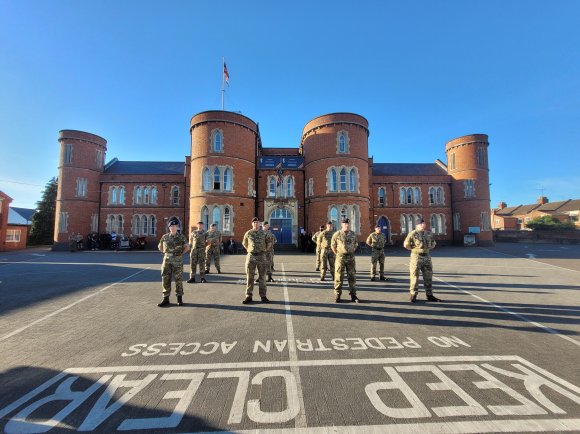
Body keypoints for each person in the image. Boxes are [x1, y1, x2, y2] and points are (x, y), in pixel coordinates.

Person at [403, 217, 442, 303]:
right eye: (421, 224)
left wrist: (427, 249)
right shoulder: (412, 234)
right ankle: (413, 294)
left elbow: (433, 244)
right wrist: (414, 250)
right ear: (417, 225)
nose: (423, 225)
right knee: (414, 276)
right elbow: (406, 244)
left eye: (424, 224)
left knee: (428, 276)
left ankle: (429, 295)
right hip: (416, 257)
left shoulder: (429, 233)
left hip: (427, 257)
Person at [157, 219, 190, 307]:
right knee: (165, 279)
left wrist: (181, 254)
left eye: (175, 226)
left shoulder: (181, 237)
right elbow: (160, 247)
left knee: (178, 279)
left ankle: (179, 298)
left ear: (177, 227)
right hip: (166, 261)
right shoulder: (165, 237)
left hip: (177, 261)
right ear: (169, 227)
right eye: (171, 226)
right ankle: (165, 298)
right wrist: (165, 253)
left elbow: (187, 247)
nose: (173, 228)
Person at [242, 217, 272, 304]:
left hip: (261, 256)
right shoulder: (248, 233)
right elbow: (244, 243)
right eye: (254, 222)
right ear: (252, 224)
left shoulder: (264, 233)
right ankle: (248, 296)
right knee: (250, 277)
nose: (256, 224)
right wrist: (249, 249)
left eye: (257, 222)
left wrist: (265, 250)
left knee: (262, 277)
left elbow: (269, 242)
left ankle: (263, 296)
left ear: (259, 224)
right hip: (251, 257)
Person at [331, 218, 360, 303]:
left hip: (351, 258)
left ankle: (353, 295)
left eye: (347, 224)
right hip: (340, 258)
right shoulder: (337, 234)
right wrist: (338, 253)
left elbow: (356, 244)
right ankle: (338, 294)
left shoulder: (353, 234)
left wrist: (351, 251)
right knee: (339, 276)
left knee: (352, 276)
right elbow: (333, 246)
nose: (346, 225)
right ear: (341, 225)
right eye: (345, 224)